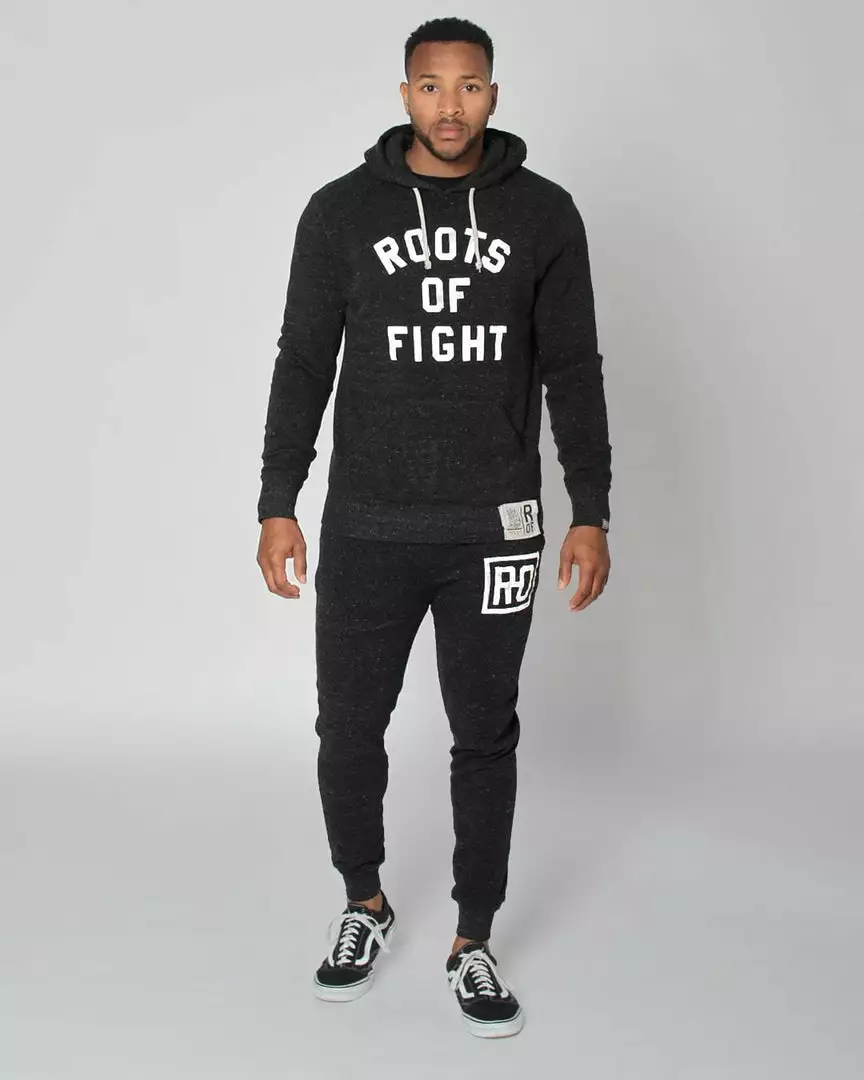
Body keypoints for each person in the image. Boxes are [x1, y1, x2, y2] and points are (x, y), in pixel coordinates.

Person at [255, 16, 612, 1039]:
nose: (450, 106)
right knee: (347, 729)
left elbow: (573, 368)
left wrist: (590, 509)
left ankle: (473, 937)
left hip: (496, 530)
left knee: (484, 733)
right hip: (368, 527)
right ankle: (363, 901)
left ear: (493, 93)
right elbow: (302, 361)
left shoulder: (544, 214)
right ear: (403, 92)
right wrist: (278, 499)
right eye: (430, 85)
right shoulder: (340, 213)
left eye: (469, 86)